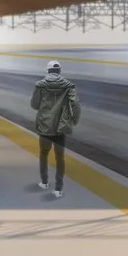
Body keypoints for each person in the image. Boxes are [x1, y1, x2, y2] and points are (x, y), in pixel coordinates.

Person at [30, 60, 80, 198]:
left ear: (48, 71)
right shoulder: (68, 86)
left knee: (44, 153)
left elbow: (34, 105)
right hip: (60, 126)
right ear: (59, 71)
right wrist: (74, 120)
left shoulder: (40, 85)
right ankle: (58, 189)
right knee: (60, 157)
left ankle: (44, 182)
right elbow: (75, 104)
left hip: (44, 125)